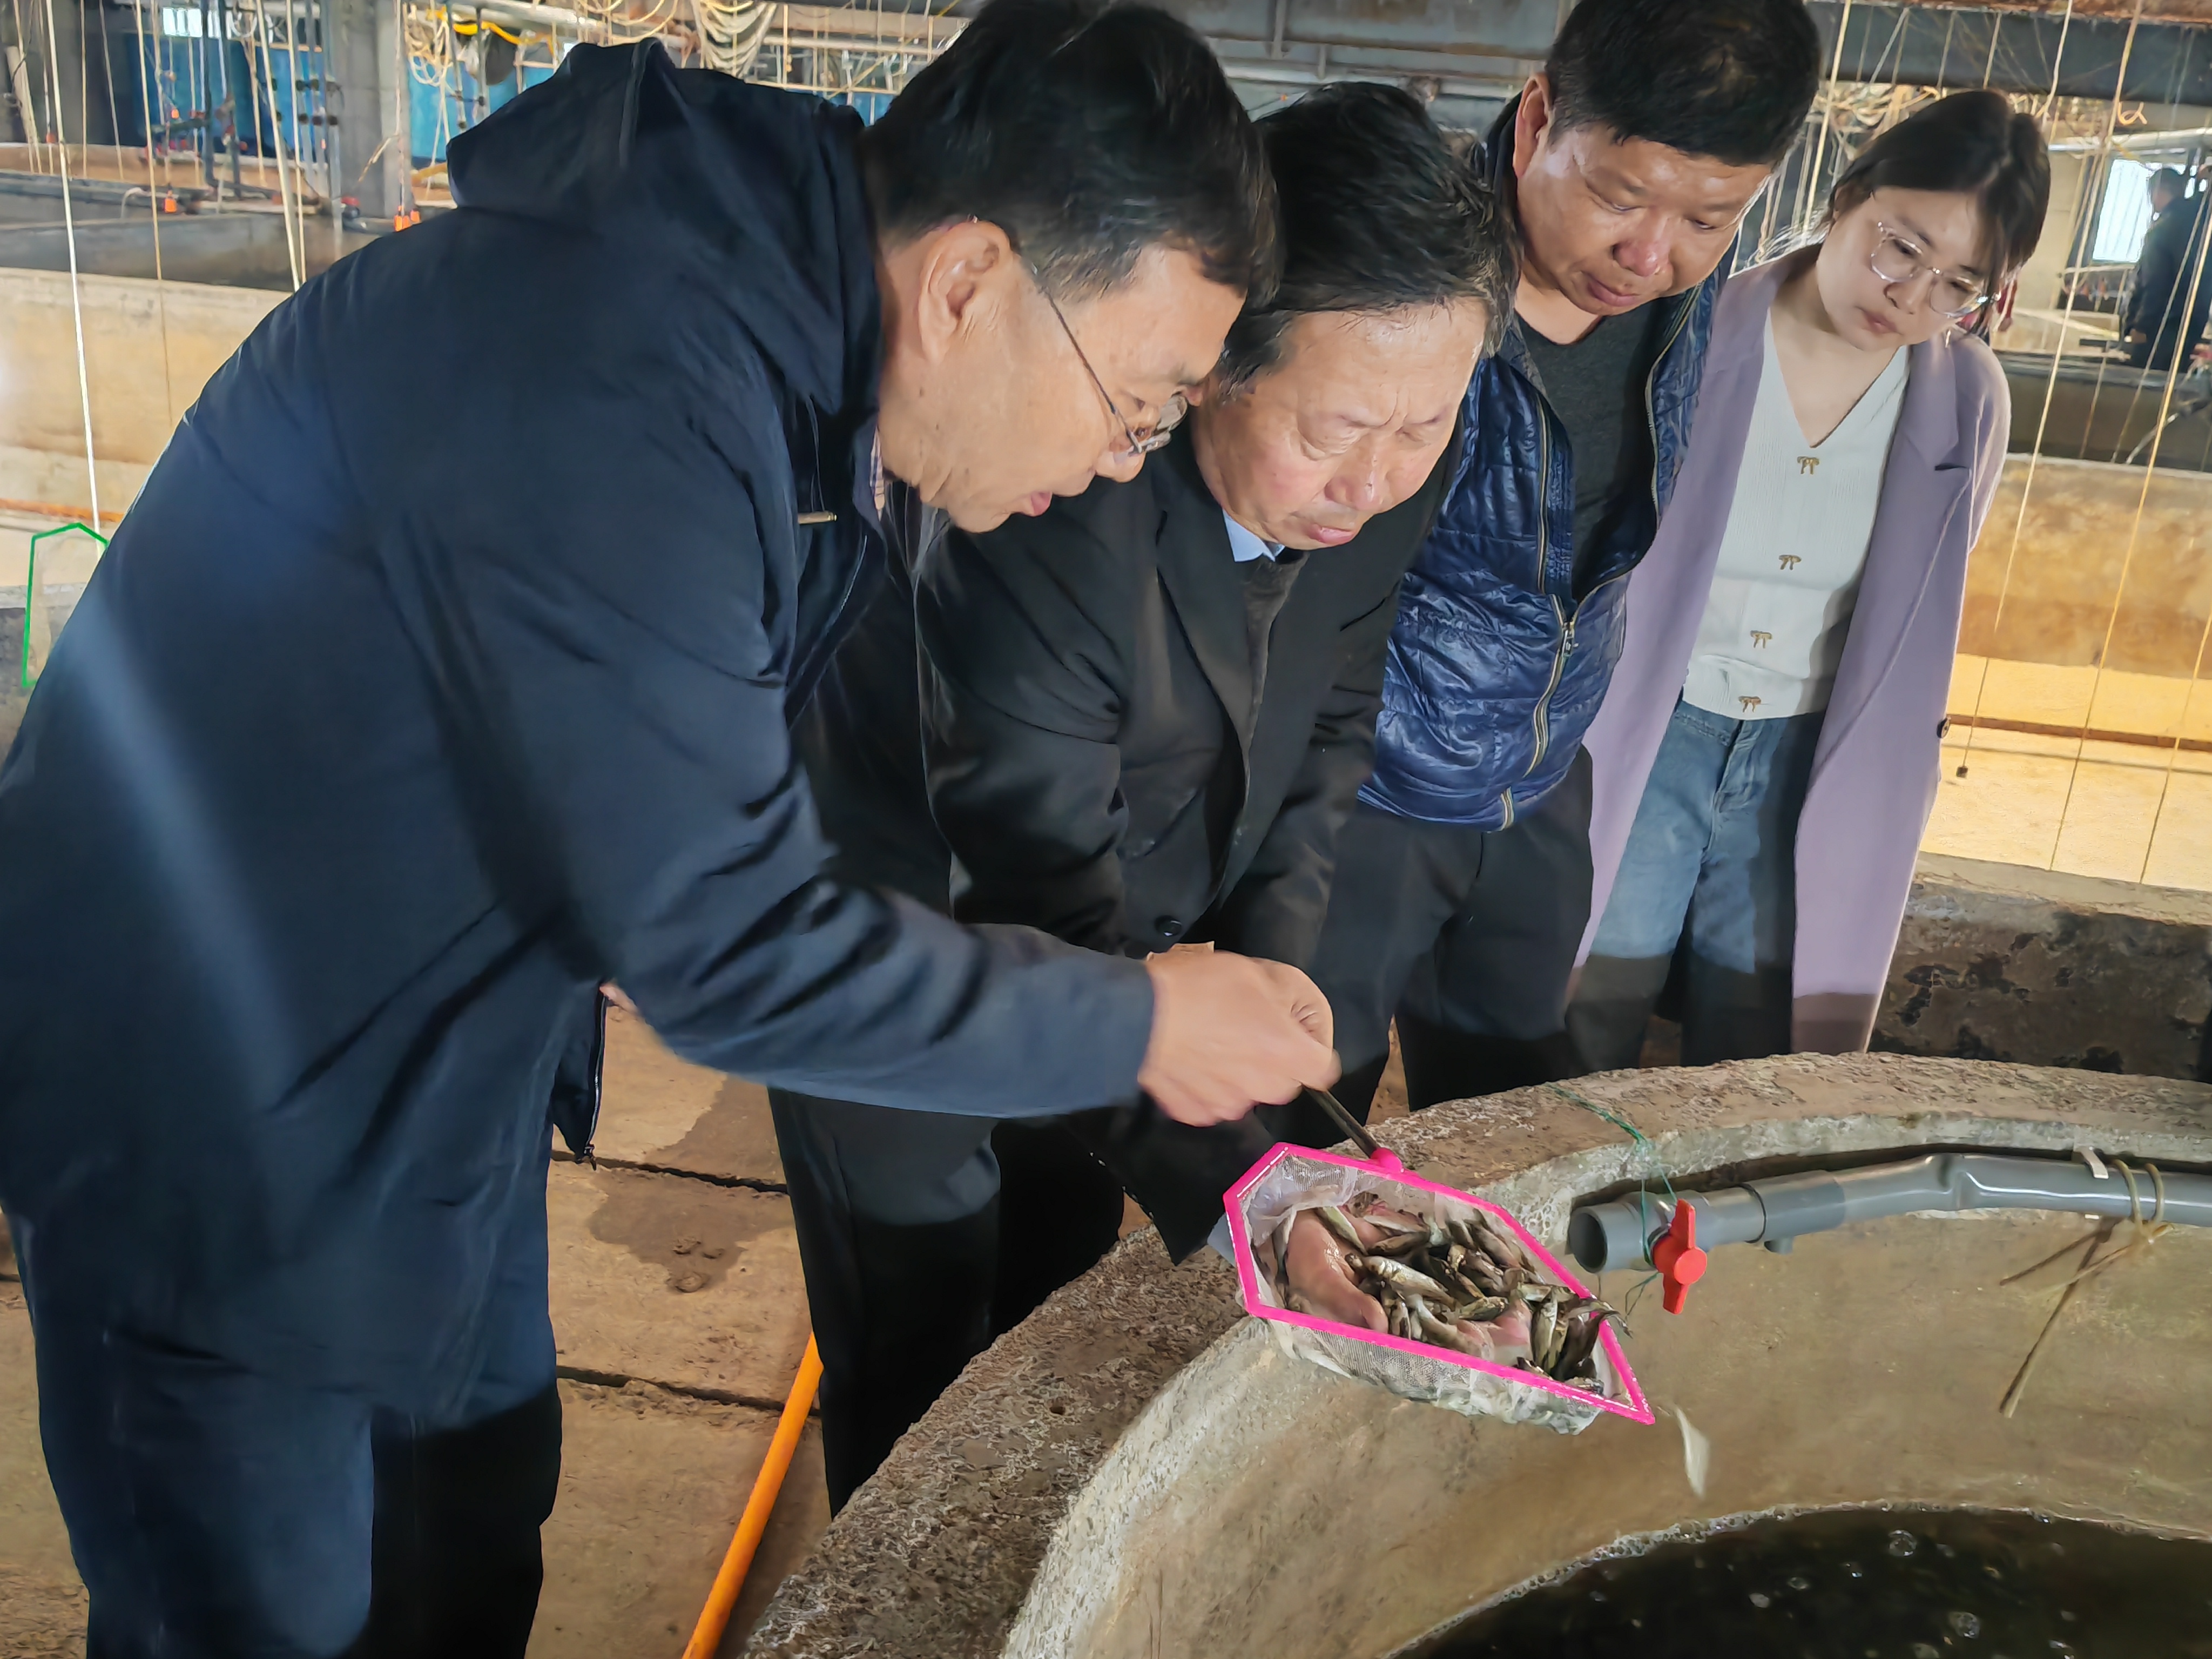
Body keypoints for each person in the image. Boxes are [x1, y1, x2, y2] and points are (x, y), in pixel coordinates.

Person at [0, 6, 1346, 1654]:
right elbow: (728, 945)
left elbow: (734, 829)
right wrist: (1140, 1023)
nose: (1120, 463)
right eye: (1133, 405)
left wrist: (1213, 1125)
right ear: (969, 284)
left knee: (463, 1537)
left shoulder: (798, 388)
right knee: (262, 1611)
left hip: (430, 1052)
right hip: (209, 1103)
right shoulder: (618, 373)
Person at [776, 83, 1513, 1504]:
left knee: (1053, 1274)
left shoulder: (1384, 464)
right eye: (1337, 430)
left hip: (1130, 930)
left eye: (1423, 427)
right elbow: (1033, 887)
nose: (1374, 480)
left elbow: (1327, 732)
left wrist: (1272, 1015)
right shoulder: (1050, 497)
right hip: (902, 926)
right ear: (1213, 357)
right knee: (919, 1318)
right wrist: (1265, 1194)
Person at [1302, 0, 1823, 1121]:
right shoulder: (1398, 267)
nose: (1648, 254)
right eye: (1617, 196)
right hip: (1360, 785)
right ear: (1538, 120)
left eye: (1709, 216)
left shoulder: (1679, 287)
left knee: (1514, 1113)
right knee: (1303, 1115)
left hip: (1539, 772)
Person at [1567, 91, 2048, 1071]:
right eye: (1900, 247)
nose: (1910, 297)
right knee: (1589, 1007)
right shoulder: (1691, 333)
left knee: (1765, 1045)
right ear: (1848, 195)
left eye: (1958, 285)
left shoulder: (1966, 397)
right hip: (1654, 722)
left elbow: (1922, 598)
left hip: (1811, 749)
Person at [2122, 165, 2211, 374]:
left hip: (2159, 328)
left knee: (2146, 378)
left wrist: (2141, 327)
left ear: (2159, 191)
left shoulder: (2162, 230)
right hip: (2191, 324)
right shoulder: (2198, 222)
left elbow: (2155, 284)